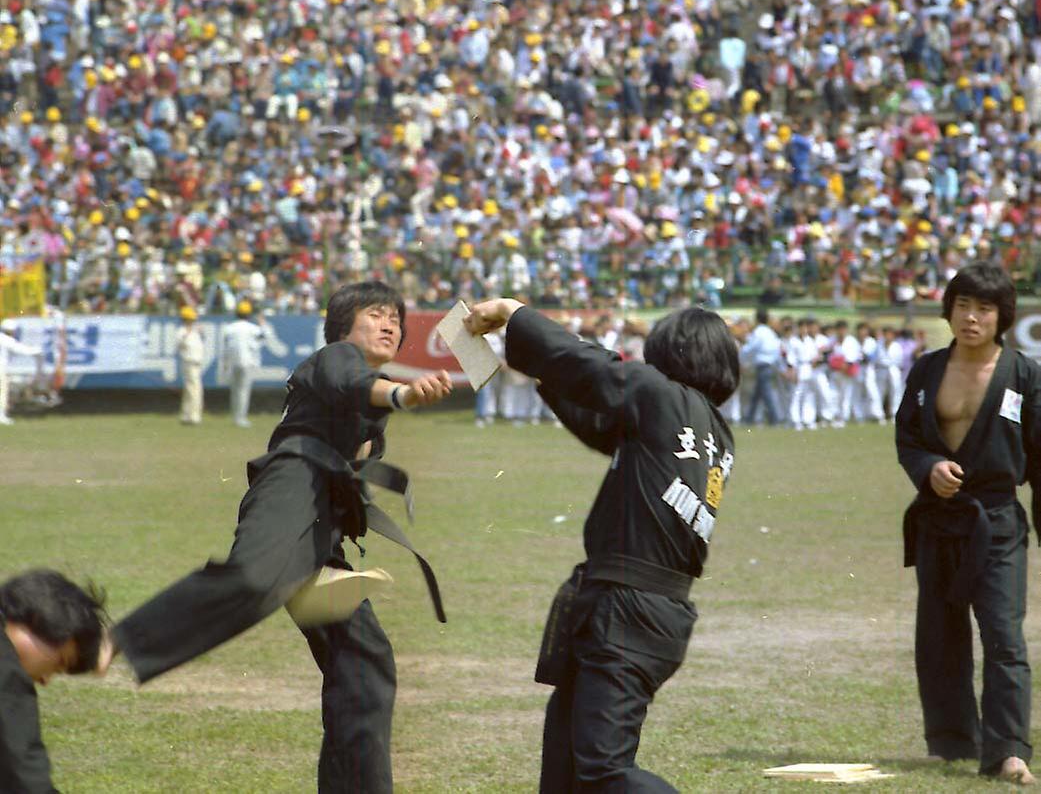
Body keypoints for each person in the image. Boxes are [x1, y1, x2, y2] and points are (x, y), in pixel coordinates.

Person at [99, 281, 453, 792]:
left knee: (364, 663)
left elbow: (363, 403)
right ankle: (114, 641)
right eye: (376, 314)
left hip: (320, 534)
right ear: (342, 327)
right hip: (289, 488)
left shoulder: (365, 395)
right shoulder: (333, 357)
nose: (390, 323)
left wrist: (397, 399)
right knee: (252, 578)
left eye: (396, 318)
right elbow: (353, 381)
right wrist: (400, 392)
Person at [465, 297, 740, 792]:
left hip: (627, 611)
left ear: (668, 356)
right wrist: (534, 371)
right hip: (648, 610)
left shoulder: (660, 395)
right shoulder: (711, 430)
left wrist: (513, 313)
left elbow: (591, 365)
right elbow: (599, 422)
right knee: (568, 763)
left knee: (602, 770)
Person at [896, 262, 1041, 784]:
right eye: (962, 306)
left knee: (1003, 636)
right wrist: (927, 468)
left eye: (983, 308)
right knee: (938, 634)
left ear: (1002, 316)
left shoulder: (1024, 375)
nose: (972, 318)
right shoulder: (928, 369)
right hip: (939, 519)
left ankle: (1007, 751)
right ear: (949, 310)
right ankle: (953, 738)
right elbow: (907, 438)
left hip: (998, 521)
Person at [0, 569, 108, 792]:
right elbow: (25, 779)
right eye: (59, 663)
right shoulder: (6, 670)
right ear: (34, 622)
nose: (45, 680)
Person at [220, 299, 266, 427]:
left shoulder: (229, 328)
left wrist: (224, 363)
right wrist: (262, 322)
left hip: (233, 361)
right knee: (243, 390)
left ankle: (235, 416)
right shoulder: (253, 328)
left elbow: (225, 347)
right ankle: (241, 418)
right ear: (249, 314)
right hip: (248, 362)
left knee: (234, 390)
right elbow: (263, 336)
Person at [741, 307, 783, 426]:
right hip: (769, 364)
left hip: (762, 365)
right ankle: (749, 419)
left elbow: (751, 348)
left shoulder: (759, 331)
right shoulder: (770, 332)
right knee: (757, 394)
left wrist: (742, 356)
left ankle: (774, 419)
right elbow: (776, 350)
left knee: (766, 393)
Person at [0, 320, 44, 425]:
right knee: (2, 392)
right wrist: (37, 351)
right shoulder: (7, 339)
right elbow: (22, 350)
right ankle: (1, 415)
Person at [175, 305, 204, 425]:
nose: (192, 321)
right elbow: (179, 345)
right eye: (190, 319)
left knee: (189, 390)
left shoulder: (195, 331)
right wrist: (186, 334)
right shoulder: (181, 331)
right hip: (189, 363)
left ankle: (186, 415)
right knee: (195, 390)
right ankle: (194, 416)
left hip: (196, 363)